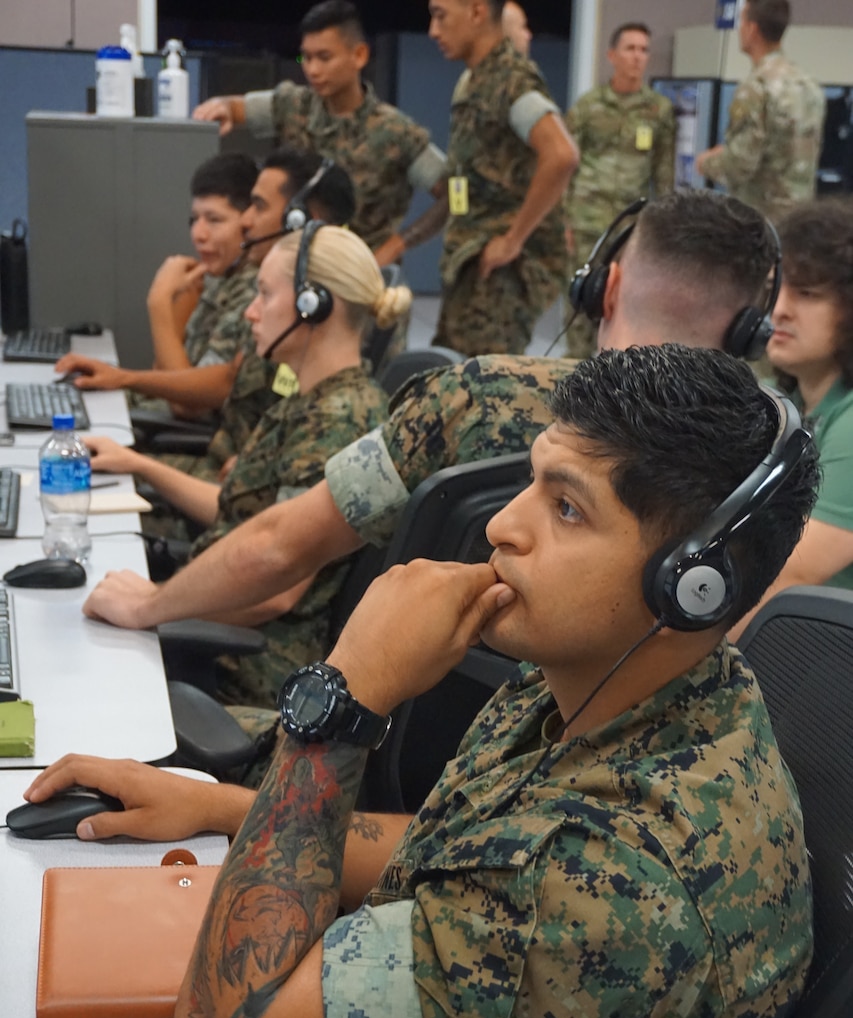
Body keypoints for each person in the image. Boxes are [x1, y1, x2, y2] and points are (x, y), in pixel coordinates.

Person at [157, 343, 816, 1018]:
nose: (502, 527)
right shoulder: (614, 679)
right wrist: (211, 807)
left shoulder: (609, 882)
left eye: (565, 506)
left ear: (691, 580)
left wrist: (340, 710)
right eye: (530, 483)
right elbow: (443, 852)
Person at [79, 191, 778, 642]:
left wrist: (149, 606)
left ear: (606, 286)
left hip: (401, 731)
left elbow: (282, 548)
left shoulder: (479, 396)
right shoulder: (766, 467)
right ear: (751, 331)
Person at [84, 223, 411, 707]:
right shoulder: (311, 399)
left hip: (247, 666)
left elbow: (275, 591)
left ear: (313, 304)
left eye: (263, 293)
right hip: (211, 618)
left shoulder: (337, 421)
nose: (250, 312)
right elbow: (241, 511)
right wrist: (140, 465)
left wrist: (152, 602)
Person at [57, 149, 356, 482]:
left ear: (300, 219)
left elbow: (213, 389)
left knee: (79, 475)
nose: (246, 221)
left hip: (231, 470)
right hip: (234, 463)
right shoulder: (258, 287)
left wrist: (158, 305)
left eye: (256, 206)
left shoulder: (299, 304)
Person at [193, 1, 448, 268]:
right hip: (293, 269)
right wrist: (221, 108)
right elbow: (236, 108)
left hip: (359, 274)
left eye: (324, 58)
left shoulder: (396, 132)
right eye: (307, 57)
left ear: (359, 56)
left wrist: (396, 246)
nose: (313, 70)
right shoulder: (293, 105)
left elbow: (451, 195)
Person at [56, 152, 259, 424]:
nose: (198, 234)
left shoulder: (253, 291)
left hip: (190, 439)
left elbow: (186, 407)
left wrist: (159, 303)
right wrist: (182, 300)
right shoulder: (216, 278)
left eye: (214, 220)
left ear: (249, 224)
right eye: (194, 219)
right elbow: (163, 371)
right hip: (158, 415)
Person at [730, 196, 853, 640]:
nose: (778, 310)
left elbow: (790, 572)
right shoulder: (795, 402)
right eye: (775, 289)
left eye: (808, 294)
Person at [428, 0, 578, 356]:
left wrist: (513, 239)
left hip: (501, 275)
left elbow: (561, 155)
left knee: (485, 386)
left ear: (477, 13)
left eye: (440, 15)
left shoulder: (511, 80)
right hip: (472, 258)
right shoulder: (475, 79)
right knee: (453, 371)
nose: (433, 31)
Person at [563, 22, 675, 360]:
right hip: (585, 219)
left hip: (630, 225)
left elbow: (664, 174)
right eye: (630, 49)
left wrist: (664, 228)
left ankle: (611, 379)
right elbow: (567, 166)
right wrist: (563, 220)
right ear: (612, 55)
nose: (638, 57)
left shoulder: (659, 110)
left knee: (624, 303)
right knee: (580, 299)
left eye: (644, 50)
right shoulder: (588, 106)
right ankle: (573, 371)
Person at [696, 0, 824, 223]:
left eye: (742, 21)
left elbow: (740, 165)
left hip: (761, 222)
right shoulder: (809, 85)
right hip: (800, 222)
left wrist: (705, 162)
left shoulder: (756, 86)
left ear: (752, 29)